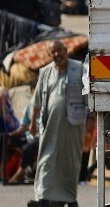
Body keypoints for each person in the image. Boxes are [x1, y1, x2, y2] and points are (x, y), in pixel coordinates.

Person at [29, 40, 87, 207]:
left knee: (70, 162)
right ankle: (43, 197)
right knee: (46, 161)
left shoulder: (79, 69)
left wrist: (91, 122)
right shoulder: (45, 72)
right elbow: (37, 101)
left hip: (73, 126)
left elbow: (88, 99)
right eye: (53, 52)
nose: (57, 54)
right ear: (49, 55)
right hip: (50, 127)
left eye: (59, 50)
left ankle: (69, 199)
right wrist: (33, 122)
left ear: (66, 50)